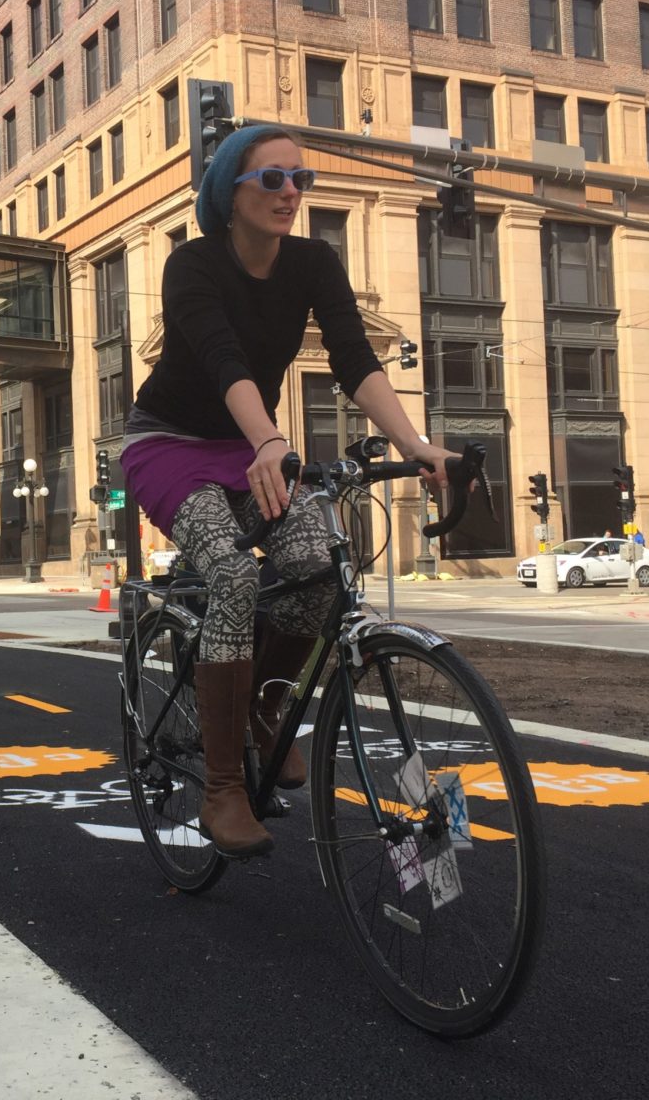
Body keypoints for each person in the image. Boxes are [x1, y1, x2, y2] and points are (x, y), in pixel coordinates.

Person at [120, 125, 459, 859]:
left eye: (299, 179)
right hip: (170, 444)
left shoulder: (313, 263)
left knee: (316, 569)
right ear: (229, 194)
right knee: (236, 574)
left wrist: (415, 444)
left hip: (252, 444)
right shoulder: (191, 265)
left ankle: (266, 707)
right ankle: (221, 788)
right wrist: (269, 437)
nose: (290, 194)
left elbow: (355, 357)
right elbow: (222, 356)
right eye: (271, 180)